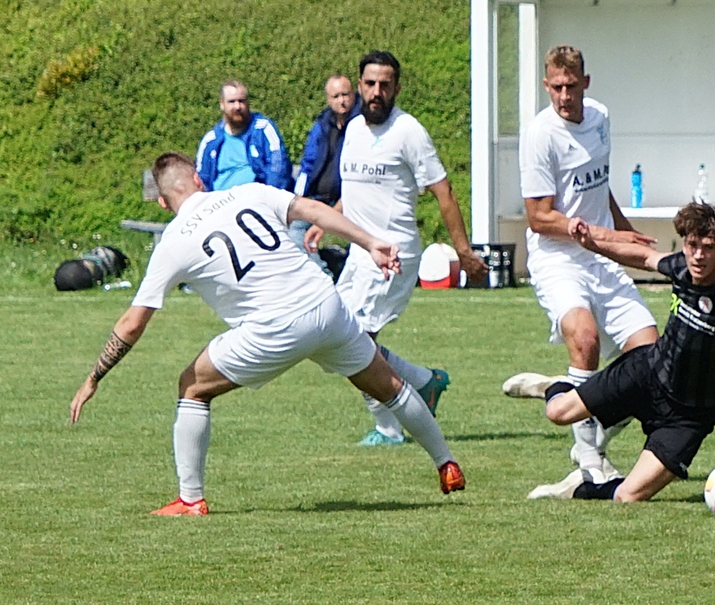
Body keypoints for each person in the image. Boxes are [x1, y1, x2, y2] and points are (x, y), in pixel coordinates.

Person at [69, 152, 466, 515]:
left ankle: (190, 499)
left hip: (273, 328)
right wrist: (371, 243)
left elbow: (132, 323)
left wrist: (94, 377)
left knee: (192, 387)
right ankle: (446, 463)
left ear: (161, 201)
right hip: (324, 304)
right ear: (199, 179)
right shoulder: (249, 192)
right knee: (390, 385)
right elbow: (312, 209)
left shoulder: (173, 242)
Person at [527, 202, 715, 501]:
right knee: (557, 412)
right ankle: (557, 386)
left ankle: (580, 486)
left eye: (708, 248)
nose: (698, 255)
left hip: (690, 415)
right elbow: (644, 256)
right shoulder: (682, 266)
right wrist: (592, 245)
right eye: (692, 245)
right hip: (646, 374)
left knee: (628, 496)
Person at [305, 50, 488, 445]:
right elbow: (356, 190)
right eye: (370, 84)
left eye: (385, 85)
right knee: (334, 339)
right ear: (359, 86)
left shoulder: (409, 131)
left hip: (393, 254)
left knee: (355, 343)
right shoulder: (354, 130)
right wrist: (326, 220)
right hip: (360, 251)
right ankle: (422, 381)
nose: (377, 92)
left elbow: (444, 191)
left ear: (397, 88)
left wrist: (463, 251)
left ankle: (388, 428)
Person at [501, 45, 660, 493]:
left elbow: (598, 186)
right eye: (556, 87)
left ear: (585, 84)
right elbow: (539, 217)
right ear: (546, 85)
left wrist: (622, 233)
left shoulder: (600, 118)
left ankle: (576, 411)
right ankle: (590, 464)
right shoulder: (540, 135)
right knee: (584, 338)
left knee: (652, 362)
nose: (564, 96)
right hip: (558, 258)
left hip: (600, 253)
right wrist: (596, 232)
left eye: (572, 86)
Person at [290, 73, 361, 273]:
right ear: (328, 99)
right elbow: (308, 162)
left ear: (354, 94)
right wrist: (298, 197)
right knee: (295, 229)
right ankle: (322, 275)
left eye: (345, 94)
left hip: (350, 198)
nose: (342, 101)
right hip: (320, 198)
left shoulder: (363, 123)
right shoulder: (322, 124)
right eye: (336, 96)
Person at [196, 80, 293, 192]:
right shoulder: (210, 140)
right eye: (231, 102)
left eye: (241, 101)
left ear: (248, 103)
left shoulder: (263, 129)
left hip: (257, 197)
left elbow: (278, 166)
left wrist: (269, 196)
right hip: (220, 200)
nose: (237, 106)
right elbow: (202, 178)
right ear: (222, 104)